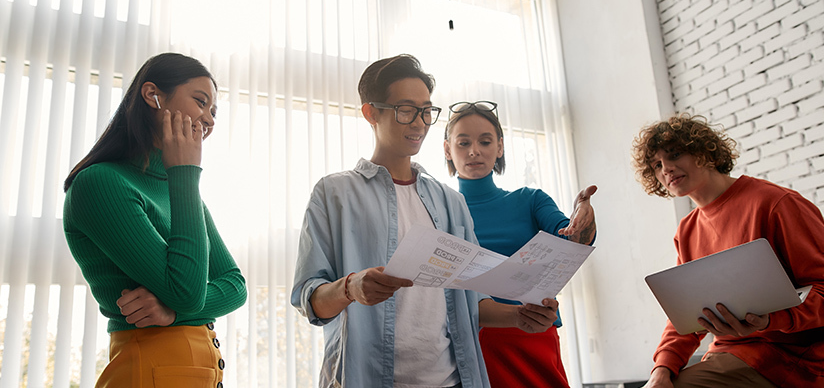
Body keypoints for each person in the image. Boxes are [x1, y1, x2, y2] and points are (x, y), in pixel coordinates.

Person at [291, 54, 560, 388]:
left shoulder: (451, 203)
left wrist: (520, 316)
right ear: (371, 112)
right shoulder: (335, 193)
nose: (419, 123)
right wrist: (350, 288)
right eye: (406, 110)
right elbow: (307, 298)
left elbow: (471, 302)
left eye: (426, 111)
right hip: (365, 378)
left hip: (451, 381)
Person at [63, 52, 247, 387]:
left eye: (214, 111)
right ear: (152, 95)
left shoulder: (181, 191)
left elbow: (236, 285)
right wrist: (185, 171)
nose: (209, 119)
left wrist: (173, 311)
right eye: (201, 102)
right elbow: (186, 292)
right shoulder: (101, 183)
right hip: (148, 370)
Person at [632, 113, 824, 388]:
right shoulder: (687, 230)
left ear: (704, 152)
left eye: (675, 154)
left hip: (785, 362)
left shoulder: (775, 203)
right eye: (657, 165)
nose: (666, 169)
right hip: (727, 355)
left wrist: (770, 319)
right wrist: (662, 367)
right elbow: (685, 313)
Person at [443, 101, 597, 388]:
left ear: (500, 147)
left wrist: (583, 219)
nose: (474, 151)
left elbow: (572, 238)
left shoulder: (530, 199)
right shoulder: (439, 211)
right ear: (447, 150)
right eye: (463, 143)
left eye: (485, 141)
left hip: (533, 331)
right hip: (471, 339)